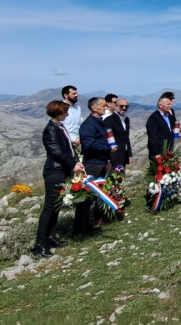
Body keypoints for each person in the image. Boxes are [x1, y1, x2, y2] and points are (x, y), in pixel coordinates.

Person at [32, 100, 85, 257]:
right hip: (54, 171)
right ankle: (40, 244)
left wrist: (76, 162)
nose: (67, 114)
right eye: (65, 112)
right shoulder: (50, 130)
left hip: (62, 170)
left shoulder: (60, 127)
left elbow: (69, 149)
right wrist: (72, 164)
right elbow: (57, 152)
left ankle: (50, 236)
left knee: (56, 206)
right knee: (49, 208)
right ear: (57, 112)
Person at [77, 97, 117, 233]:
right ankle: (80, 227)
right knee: (87, 196)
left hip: (101, 162)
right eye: (103, 106)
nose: (106, 108)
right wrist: (108, 149)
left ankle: (98, 219)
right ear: (94, 108)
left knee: (99, 193)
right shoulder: (89, 125)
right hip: (93, 163)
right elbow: (88, 145)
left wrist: (107, 160)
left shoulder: (100, 123)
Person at [105, 97, 133, 175]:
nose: (124, 108)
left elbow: (126, 137)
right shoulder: (109, 120)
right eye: (121, 106)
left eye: (126, 106)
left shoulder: (126, 120)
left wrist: (129, 154)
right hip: (113, 155)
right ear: (116, 106)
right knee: (113, 177)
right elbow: (107, 138)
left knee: (120, 177)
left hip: (123, 154)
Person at [146, 96, 177, 161]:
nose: (170, 106)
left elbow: (172, 128)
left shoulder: (169, 116)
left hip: (168, 151)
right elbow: (153, 137)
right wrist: (157, 153)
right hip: (159, 152)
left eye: (170, 104)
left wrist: (178, 132)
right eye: (168, 104)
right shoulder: (154, 118)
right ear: (160, 105)